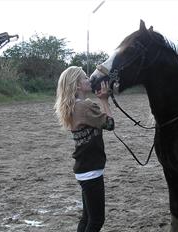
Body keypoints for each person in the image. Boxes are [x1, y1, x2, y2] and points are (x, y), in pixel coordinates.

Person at [54, 66, 114, 232]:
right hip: (91, 168)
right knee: (96, 221)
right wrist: (104, 100)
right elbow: (110, 124)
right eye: (86, 78)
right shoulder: (84, 107)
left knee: (87, 218)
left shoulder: (73, 106)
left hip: (84, 168)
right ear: (77, 85)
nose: (90, 80)